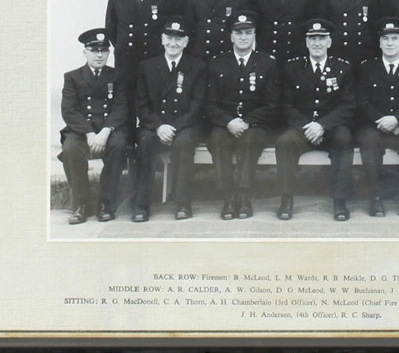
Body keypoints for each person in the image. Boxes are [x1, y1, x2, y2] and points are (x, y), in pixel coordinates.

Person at [276, 19, 355, 222]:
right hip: (302, 127)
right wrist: (308, 127)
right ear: (306, 42)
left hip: (330, 128)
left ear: (329, 42)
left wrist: (322, 126)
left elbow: (347, 106)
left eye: (322, 38)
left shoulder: (342, 68)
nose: (317, 43)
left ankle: (340, 200)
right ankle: (286, 199)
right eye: (313, 39)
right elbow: (286, 106)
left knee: (344, 139)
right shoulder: (293, 68)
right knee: (285, 141)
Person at [206, 11, 281, 220]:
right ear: (231, 36)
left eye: (248, 33)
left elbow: (272, 105)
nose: (243, 38)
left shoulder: (267, 63)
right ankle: (228, 197)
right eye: (238, 34)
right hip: (225, 122)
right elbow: (210, 104)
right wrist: (229, 122)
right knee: (217, 139)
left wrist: (247, 121)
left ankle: (244, 195)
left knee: (250, 140)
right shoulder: (217, 63)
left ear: (254, 35)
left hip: (255, 124)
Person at [134, 17, 208, 222]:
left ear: (186, 42)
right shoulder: (147, 66)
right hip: (154, 125)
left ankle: (183, 203)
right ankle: (142, 204)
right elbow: (141, 104)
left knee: (184, 142)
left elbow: (197, 106)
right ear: (162, 40)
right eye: (169, 38)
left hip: (185, 126)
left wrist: (173, 128)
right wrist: (159, 127)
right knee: (145, 141)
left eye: (179, 39)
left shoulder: (197, 67)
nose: (173, 43)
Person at [58, 28, 129, 224]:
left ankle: (106, 203)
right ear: (85, 53)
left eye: (104, 51)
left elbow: (121, 107)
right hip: (82, 130)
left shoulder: (117, 76)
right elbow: (69, 110)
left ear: (108, 53)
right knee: (70, 149)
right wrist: (89, 133)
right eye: (94, 51)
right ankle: (83, 204)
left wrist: (105, 131)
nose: (99, 55)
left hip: (109, 129)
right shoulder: (72, 77)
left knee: (119, 145)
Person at [356, 18, 399, 217]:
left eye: (395, 38)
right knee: (368, 141)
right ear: (379, 43)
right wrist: (382, 120)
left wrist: (397, 120)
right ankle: (375, 197)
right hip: (373, 124)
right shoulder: (367, 68)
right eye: (385, 39)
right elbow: (362, 102)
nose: (390, 43)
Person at [104, 0, 172, 125]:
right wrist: (124, 47)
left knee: (152, 99)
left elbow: (167, 29)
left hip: (152, 58)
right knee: (126, 100)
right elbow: (111, 30)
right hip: (126, 60)